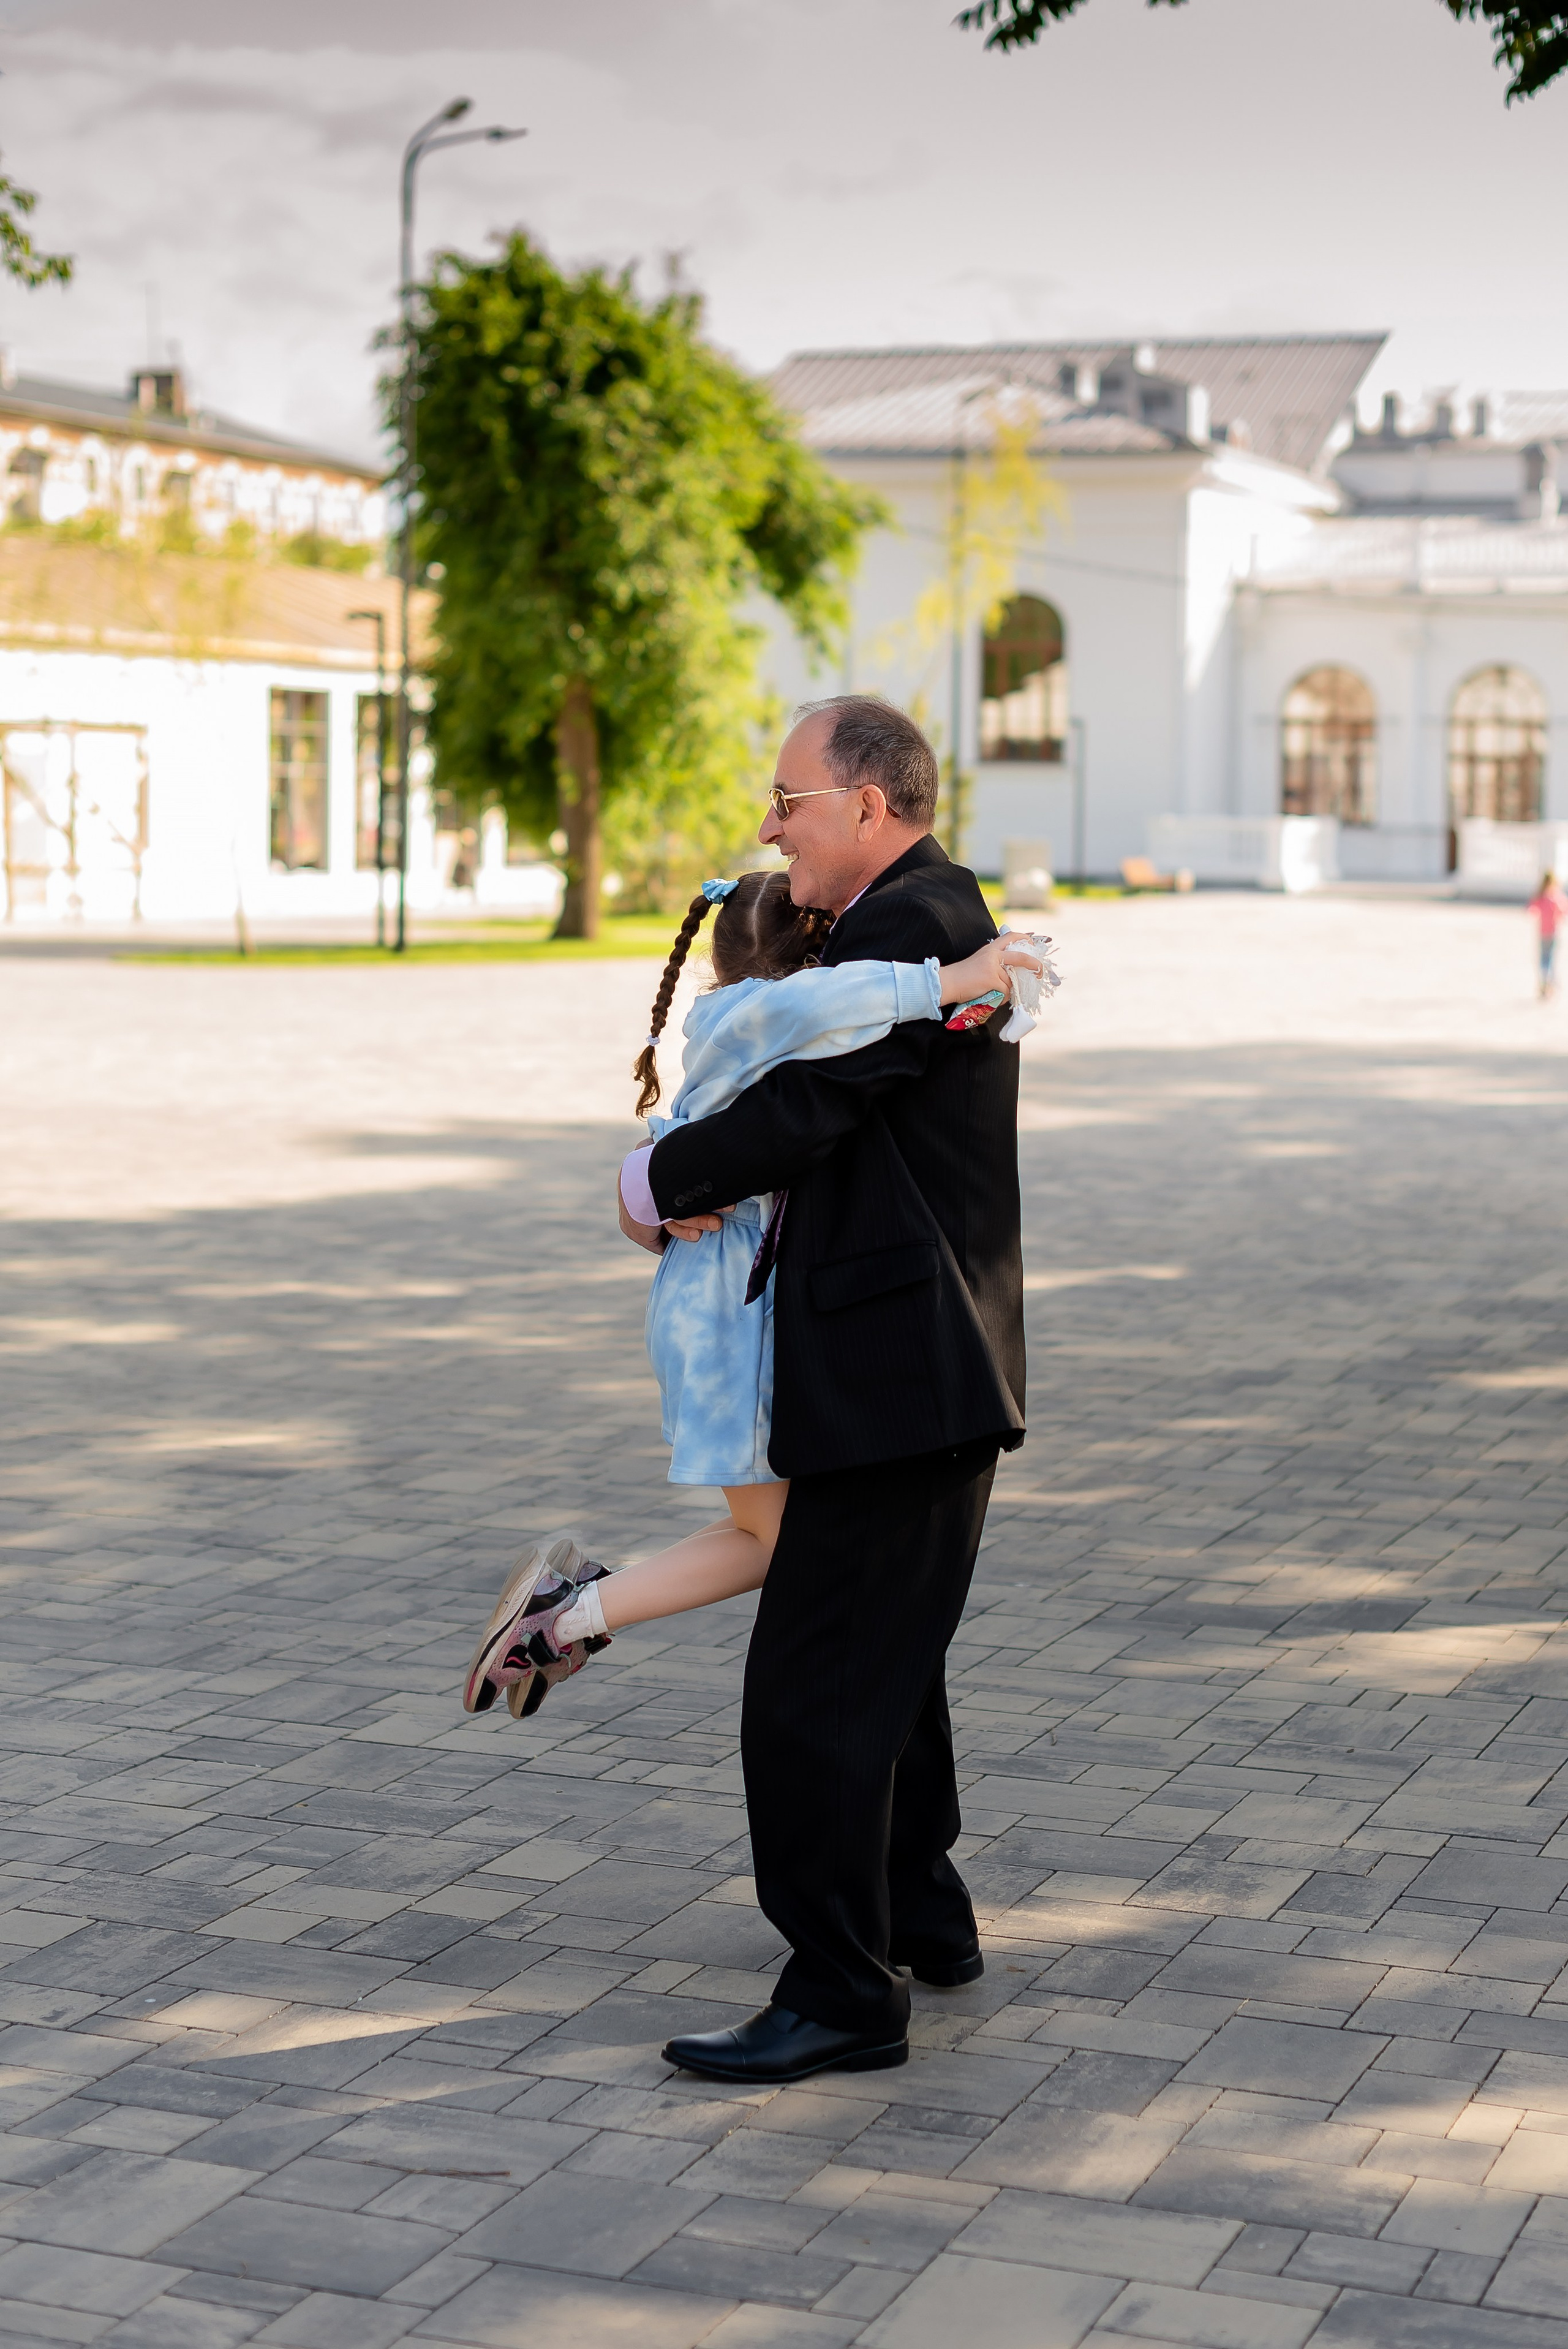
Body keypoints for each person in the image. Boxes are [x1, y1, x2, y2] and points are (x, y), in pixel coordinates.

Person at [630, 694, 1028, 2087]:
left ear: (868, 802)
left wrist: (649, 1182)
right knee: (878, 1661)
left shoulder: (907, 925)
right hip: (909, 1363)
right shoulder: (918, 916)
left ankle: (842, 1990)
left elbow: (801, 1107)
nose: (766, 822)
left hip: (895, 1367)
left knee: (812, 1684)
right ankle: (918, 1911)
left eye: (787, 798)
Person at [460, 869, 1039, 1725]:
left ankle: (565, 1615)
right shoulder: (764, 1015)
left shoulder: (738, 1019)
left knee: (783, 1539)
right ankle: (559, 1617)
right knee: (786, 1544)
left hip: (720, 1307)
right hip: (724, 1318)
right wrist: (954, 980)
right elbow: (835, 1005)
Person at [1529, 871, 1567, 999]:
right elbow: (1564, 911)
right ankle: (1550, 982)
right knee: (1550, 959)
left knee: (1544, 959)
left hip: (1544, 933)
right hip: (1553, 934)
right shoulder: (1557, 898)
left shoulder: (1542, 897)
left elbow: (1531, 909)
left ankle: (1546, 981)